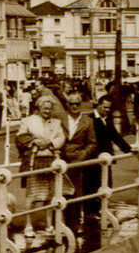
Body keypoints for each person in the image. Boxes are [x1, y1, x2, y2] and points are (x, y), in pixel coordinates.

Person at [14, 94, 64, 239]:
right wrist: (35, 141)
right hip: (33, 162)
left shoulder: (56, 123)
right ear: (39, 107)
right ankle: (28, 225)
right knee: (32, 195)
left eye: (49, 109)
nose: (47, 111)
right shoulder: (28, 121)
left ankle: (49, 225)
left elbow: (61, 138)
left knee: (50, 195)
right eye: (44, 108)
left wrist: (49, 143)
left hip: (51, 161)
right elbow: (20, 138)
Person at [60, 88, 99, 229]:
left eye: (77, 104)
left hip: (78, 160)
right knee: (59, 191)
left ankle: (74, 223)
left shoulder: (87, 122)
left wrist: (82, 155)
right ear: (67, 105)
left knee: (76, 193)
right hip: (62, 159)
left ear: (80, 104)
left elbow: (92, 143)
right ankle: (59, 222)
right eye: (71, 104)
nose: (74, 106)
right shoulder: (60, 119)